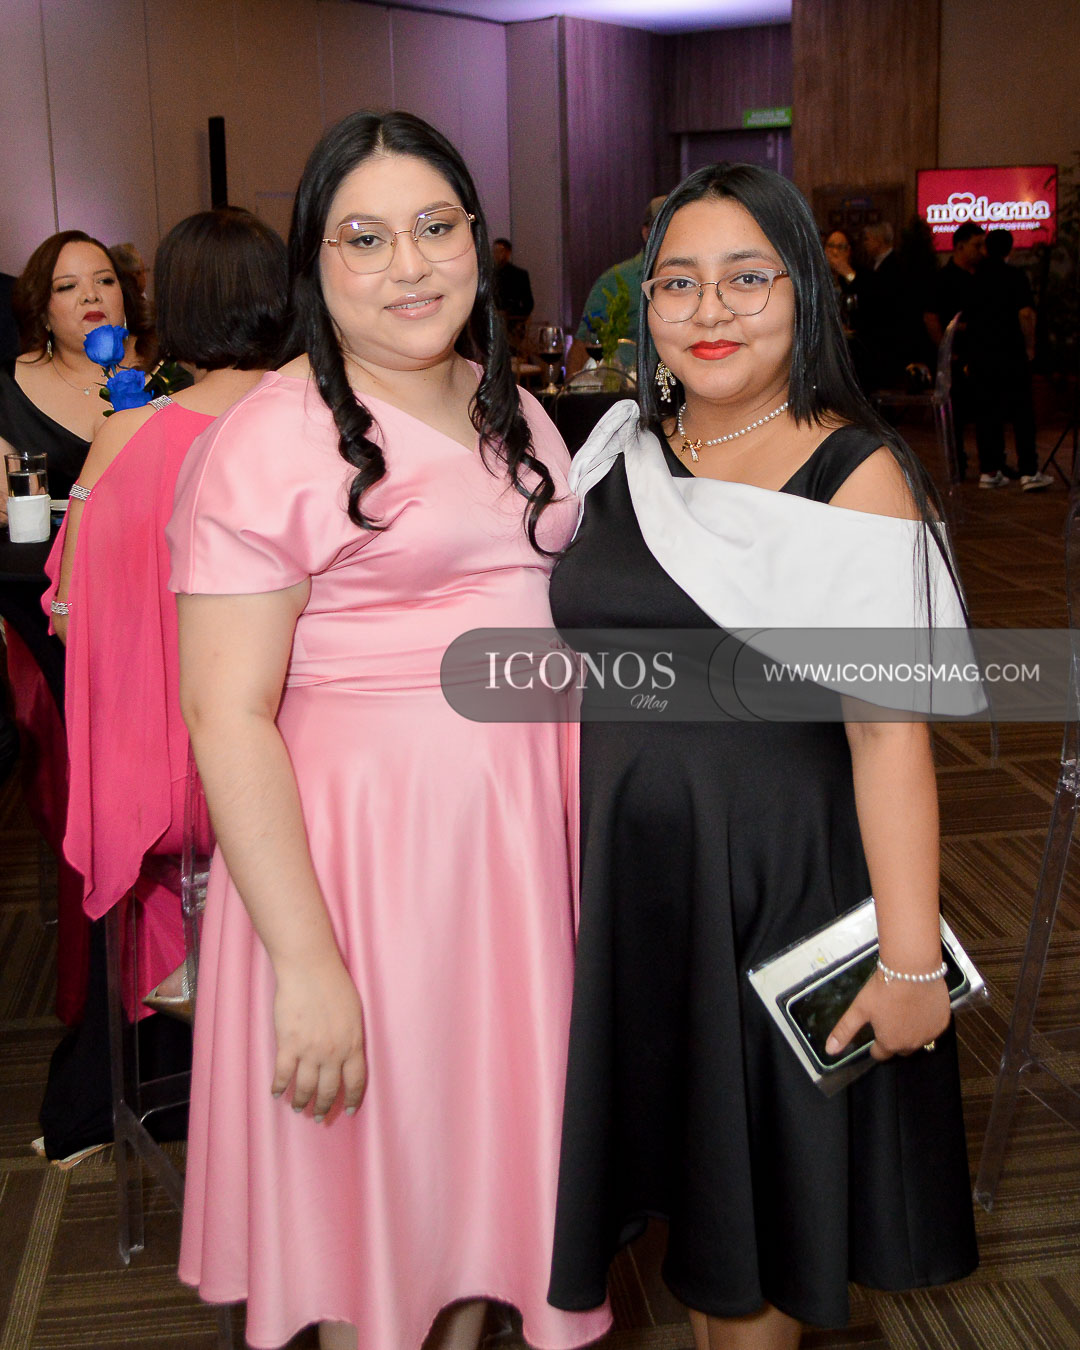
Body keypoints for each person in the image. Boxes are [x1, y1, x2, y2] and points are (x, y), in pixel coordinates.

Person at [166, 110, 613, 1350]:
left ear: (478, 237)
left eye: (434, 227)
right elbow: (225, 715)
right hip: (366, 873)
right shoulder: (272, 437)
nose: (409, 265)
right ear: (314, 262)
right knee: (382, 1214)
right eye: (364, 238)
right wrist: (308, 964)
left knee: (473, 1202)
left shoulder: (512, 405)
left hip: (516, 857)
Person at [547, 162, 978, 1349]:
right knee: (698, 1222)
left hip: (781, 896)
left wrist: (909, 962)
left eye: (748, 279)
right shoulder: (621, 449)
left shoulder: (855, 472)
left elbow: (889, 732)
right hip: (638, 895)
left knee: (758, 1251)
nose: (710, 310)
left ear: (805, 293)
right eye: (679, 282)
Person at [45, 206, 289, 1012]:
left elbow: (68, 612)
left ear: (171, 308)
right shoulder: (323, 424)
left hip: (166, 785)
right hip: (303, 765)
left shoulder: (130, 436)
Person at [0, 230, 148, 522]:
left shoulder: (171, 373)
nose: (91, 295)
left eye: (105, 281)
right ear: (42, 311)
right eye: (67, 286)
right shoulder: (9, 389)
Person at [965, 229, 1050, 492]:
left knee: (987, 413)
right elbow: (1025, 314)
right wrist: (1030, 345)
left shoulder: (974, 278)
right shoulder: (1015, 276)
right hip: (1011, 354)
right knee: (1022, 413)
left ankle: (989, 470)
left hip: (981, 356)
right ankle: (1028, 471)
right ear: (1010, 249)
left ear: (986, 249)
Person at [566, 194, 667, 375]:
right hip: (629, 384)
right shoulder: (615, 281)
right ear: (646, 233)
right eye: (663, 228)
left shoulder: (695, 280)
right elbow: (583, 345)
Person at [925, 222, 986, 480]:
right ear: (960, 246)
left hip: (980, 355)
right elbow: (931, 316)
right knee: (956, 414)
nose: (982, 251)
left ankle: (990, 464)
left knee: (985, 410)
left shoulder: (982, 277)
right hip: (955, 357)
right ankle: (956, 464)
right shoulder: (943, 279)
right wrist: (945, 351)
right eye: (977, 245)